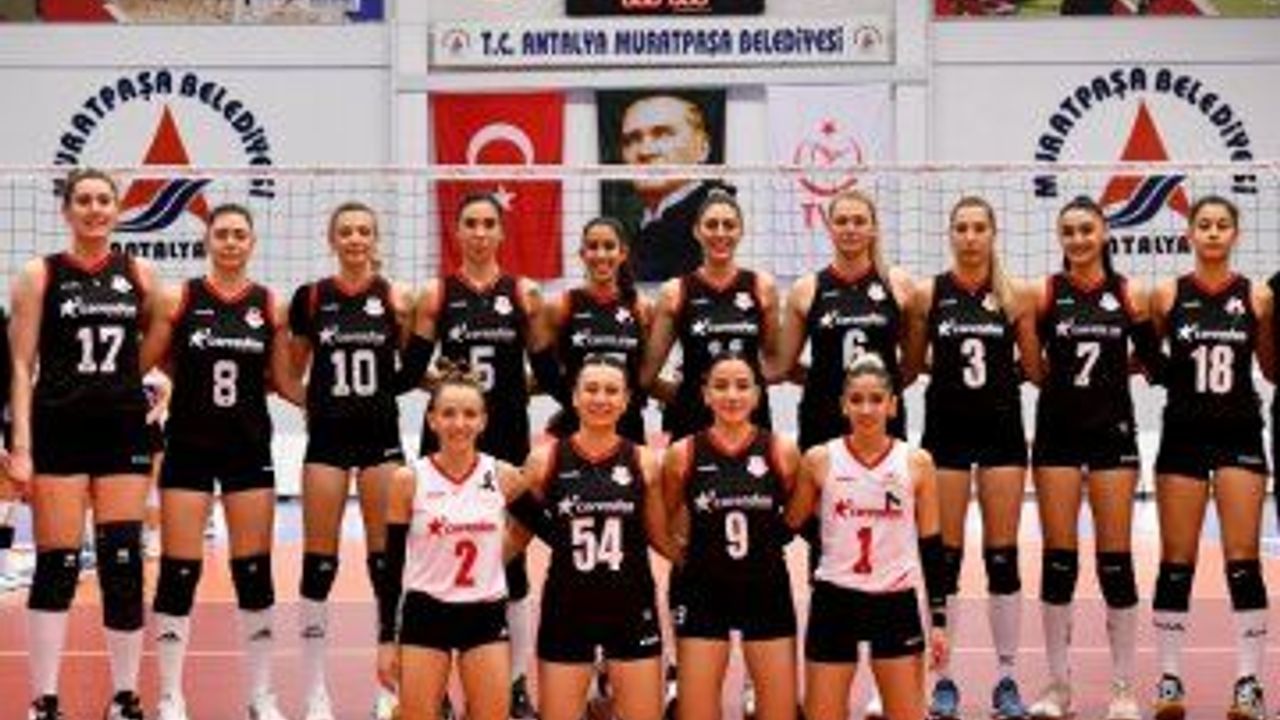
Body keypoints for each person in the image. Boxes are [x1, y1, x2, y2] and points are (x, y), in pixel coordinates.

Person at [8, 168, 159, 720]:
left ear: (118, 209)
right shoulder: (40, 274)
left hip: (122, 431)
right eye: (85, 200)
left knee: (123, 562)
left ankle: (125, 696)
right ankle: (44, 699)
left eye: (104, 200)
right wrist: (21, 446)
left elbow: (159, 341)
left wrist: (151, 381)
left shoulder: (139, 272)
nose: (95, 209)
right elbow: (21, 365)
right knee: (58, 565)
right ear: (67, 210)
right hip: (59, 430)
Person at [140, 203, 301, 720]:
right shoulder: (181, 298)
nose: (231, 242)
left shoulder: (269, 305)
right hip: (188, 446)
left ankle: (261, 695)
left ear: (252, 243)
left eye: (240, 235)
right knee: (178, 571)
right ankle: (170, 694)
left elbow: (284, 380)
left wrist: (332, 407)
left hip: (247, 448)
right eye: (223, 234)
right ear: (208, 240)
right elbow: (151, 359)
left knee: (253, 572)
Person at [408, 193, 556, 718]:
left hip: (506, 434)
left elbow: (549, 371)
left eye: (488, 223)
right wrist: (452, 392)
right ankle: (434, 689)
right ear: (457, 231)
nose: (479, 232)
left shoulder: (524, 293)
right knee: (431, 551)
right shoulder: (436, 293)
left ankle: (514, 683)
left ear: (501, 231)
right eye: (470, 223)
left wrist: (516, 391)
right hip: (449, 438)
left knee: (512, 567)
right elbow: (410, 371)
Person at [903, 195, 1041, 720]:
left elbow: (1034, 369)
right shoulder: (928, 294)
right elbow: (912, 365)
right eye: (961, 227)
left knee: (1002, 556)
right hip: (947, 433)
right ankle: (945, 680)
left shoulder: (1015, 296)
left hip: (1002, 431)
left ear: (993, 233)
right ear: (950, 234)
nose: (969, 236)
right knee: (945, 557)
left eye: (979, 227)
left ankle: (1007, 678)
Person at [1026, 196, 1161, 720]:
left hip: (1112, 435)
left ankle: (1123, 689)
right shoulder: (1045, 293)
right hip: (1057, 434)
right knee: (1059, 559)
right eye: (1069, 231)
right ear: (1060, 238)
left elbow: (1154, 364)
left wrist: (1128, 355)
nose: (1078, 239)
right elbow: (1031, 365)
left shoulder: (1128, 293)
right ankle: (1058, 687)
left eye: (1086, 229)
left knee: (1115, 560)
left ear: (1104, 232)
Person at [287, 201, 417, 720]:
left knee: (387, 564)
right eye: (346, 231)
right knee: (319, 564)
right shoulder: (312, 297)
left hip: (381, 438)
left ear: (375, 238)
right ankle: (315, 690)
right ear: (332, 239)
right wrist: (313, 404)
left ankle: (390, 687)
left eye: (364, 231)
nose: (356, 239)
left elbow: (408, 367)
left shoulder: (394, 298)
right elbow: (290, 370)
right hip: (328, 442)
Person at [1149, 196, 1273, 720]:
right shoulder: (1166, 294)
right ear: (1190, 235)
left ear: (1235, 233)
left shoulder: (1257, 296)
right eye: (1204, 225)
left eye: (1223, 225)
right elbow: (1149, 362)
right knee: (1176, 561)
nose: (1214, 233)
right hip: (1182, 435)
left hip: (1239, 433)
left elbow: (1271, 368)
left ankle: (1248, 684)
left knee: (1242, 560)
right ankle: (1169, 680)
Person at [785, 352, 948, 720]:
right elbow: (792, 523)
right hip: (834, 600)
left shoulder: (916, 462)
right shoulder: (819, 459)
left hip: (894, 602)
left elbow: (931, 546)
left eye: (876, 399)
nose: (866, 409)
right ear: (843, 405)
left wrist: (938, 621)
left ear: (893, 405)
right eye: (856, 399)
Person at [515, 355, 676, 720]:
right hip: (566, 607)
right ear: (574, 397)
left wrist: (698, 561)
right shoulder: (544, 460)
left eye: (611, 391)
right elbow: (518, 536)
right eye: (591, 389)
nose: (601, 398)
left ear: (626, 400)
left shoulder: (645, 461)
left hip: (631, 606)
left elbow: (658, 535)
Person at [376, 365, 526, 720]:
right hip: (426, 613)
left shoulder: (502, 475)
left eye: (470, 414)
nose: (459, 423)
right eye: (448, 413)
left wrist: (499, 553)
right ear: (432, 420)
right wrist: (385, 640)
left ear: (483, 421)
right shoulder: (408, 480)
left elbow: (545, 526)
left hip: (485, 613)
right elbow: (392, 567)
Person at [662, 352, 800, 720]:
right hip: (703, 591)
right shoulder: (683, 453)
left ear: (757, 395)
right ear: (705, 394)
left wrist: (770, 543)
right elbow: (664, 518)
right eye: (721, 386)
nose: (732, 395)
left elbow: (798, 511)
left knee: (779, 712)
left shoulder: (781, 450)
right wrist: (681, 557)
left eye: (742, 386)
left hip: (766, 587)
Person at [778, 189, 916, 450]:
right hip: (822, 416)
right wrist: (825, 380)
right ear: (829, 228)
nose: (850, 229)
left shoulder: (899, 284)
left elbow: (911, 363)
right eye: (841, 221)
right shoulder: (806, 289)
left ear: (873, 229)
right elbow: (784, 366)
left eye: (859, 221)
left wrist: (879, 387)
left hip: (881, 419)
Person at [641, 189, 781, 441]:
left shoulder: (762, 287)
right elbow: (647, 376)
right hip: (693, 420)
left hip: (749, 419)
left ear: (740, 231)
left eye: (729, 225)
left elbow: (776, 363)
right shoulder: (675, 291)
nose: (720, 233)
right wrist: (684, 394)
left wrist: (742, 389)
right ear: (697, 231)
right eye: (711, 225)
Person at [543, 217, 652, 444]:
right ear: (582, 254)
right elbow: (549, 370)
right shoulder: (561, 306)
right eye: (593, 247)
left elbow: (647, 372)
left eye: (609, 246)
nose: (601, 254)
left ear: (623, 253)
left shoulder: (642, 307)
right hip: (577, 425)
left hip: (627, 426)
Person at [618, 93, 726, 282]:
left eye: (662, 134)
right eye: (631, 139)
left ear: (703, 148)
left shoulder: (715, 220)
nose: (645, 151)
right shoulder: (644, 228)